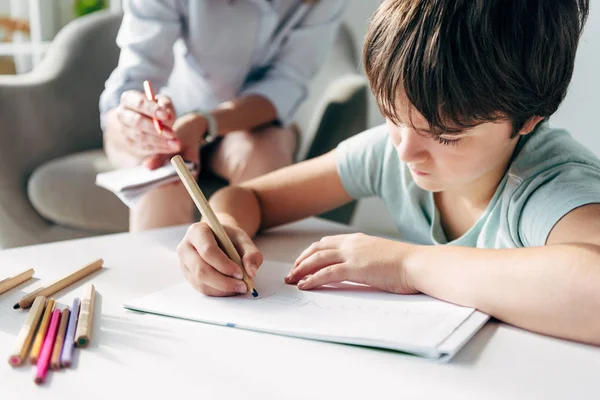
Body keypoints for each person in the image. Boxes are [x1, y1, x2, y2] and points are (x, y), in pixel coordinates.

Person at [176, 0, 600, 345]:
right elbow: (251, 197)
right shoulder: (394, 148)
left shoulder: (550, 184)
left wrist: (407, 264)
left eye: (445, 136)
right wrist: (224, 227)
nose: (406, 149)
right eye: (391, 116)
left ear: (527, 120)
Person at [99, 0, 346, 231]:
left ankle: (255, 271)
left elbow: (287, 83)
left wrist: (205, 123)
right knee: (162, 179)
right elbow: (139, 71)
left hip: (252, 121)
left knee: (261, 159)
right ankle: (160, 275)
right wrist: (140, 118)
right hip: (175, 118)